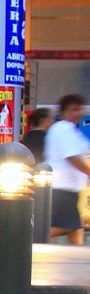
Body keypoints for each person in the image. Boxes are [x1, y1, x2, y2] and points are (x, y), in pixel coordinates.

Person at [45, 93, 90, 245]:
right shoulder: (63, 128)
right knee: (65, 226)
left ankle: (77, 258)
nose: (77, 113)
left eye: (79, 110)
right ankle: (28, 240)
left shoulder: (71, 130)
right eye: (73, 110)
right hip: (61, 188)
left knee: (75, 226)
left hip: (69, 188)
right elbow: (72, 157)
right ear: (63, 112)